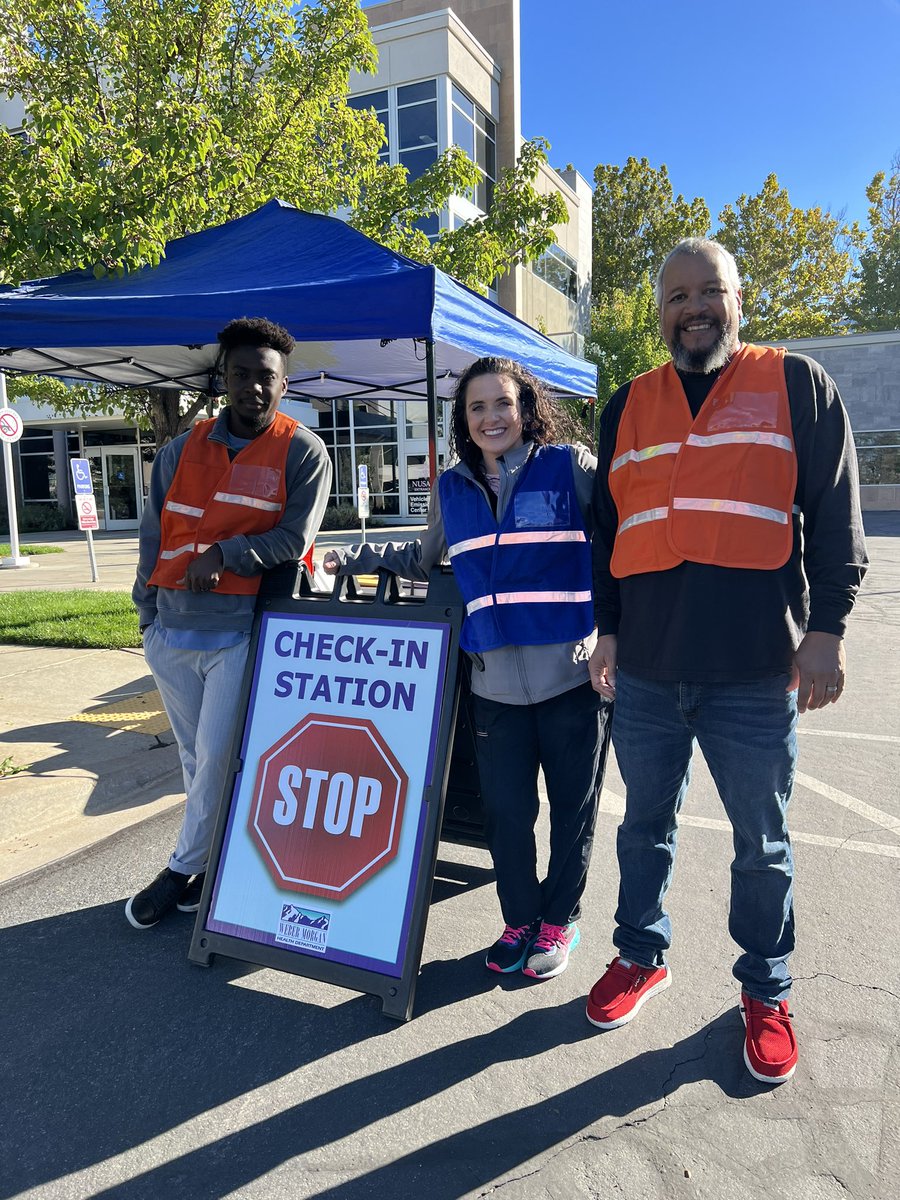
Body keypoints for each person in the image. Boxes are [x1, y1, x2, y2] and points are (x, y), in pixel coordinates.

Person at [586, 238, 868, 1083]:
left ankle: (765, 990)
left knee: (763, 845)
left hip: (754, 672)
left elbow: (835, 509)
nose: (694, 307)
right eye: (677, 296)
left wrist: (829, 628)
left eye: (710, 291)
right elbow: (610, 535)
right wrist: (607, 629)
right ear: (659, 311)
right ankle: (642, 952)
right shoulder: (627, 402)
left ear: (739, 300)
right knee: (643, 830)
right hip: (645, 672)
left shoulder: (795, 383)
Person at [324, 356, 613, 981]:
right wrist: (350, 558)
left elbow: (618, 546)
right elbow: (424, 555)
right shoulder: (451, 489)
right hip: (494, 687)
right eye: (476, 407)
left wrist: (614, 636)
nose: (491, 418)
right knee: (507, 814)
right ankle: (519, 921)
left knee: (573, 808)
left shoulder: (571, 468)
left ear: (526, 408)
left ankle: (559, 920)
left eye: (502, 404)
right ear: (463, 420)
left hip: (573, 678)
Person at [127, 317, 332, 929]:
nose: (252, 387)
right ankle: (210, 867)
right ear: (224, 379)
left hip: (239, 636)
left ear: (284, 385)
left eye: (264, 377)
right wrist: (146, 621)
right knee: (195, 760)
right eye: (240, 374)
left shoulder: (302, 451)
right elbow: (152, 537)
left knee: (216, 760)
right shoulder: (178, 450)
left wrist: (227, 555)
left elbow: (295, 538)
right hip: (169, 633)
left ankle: (177, 870)